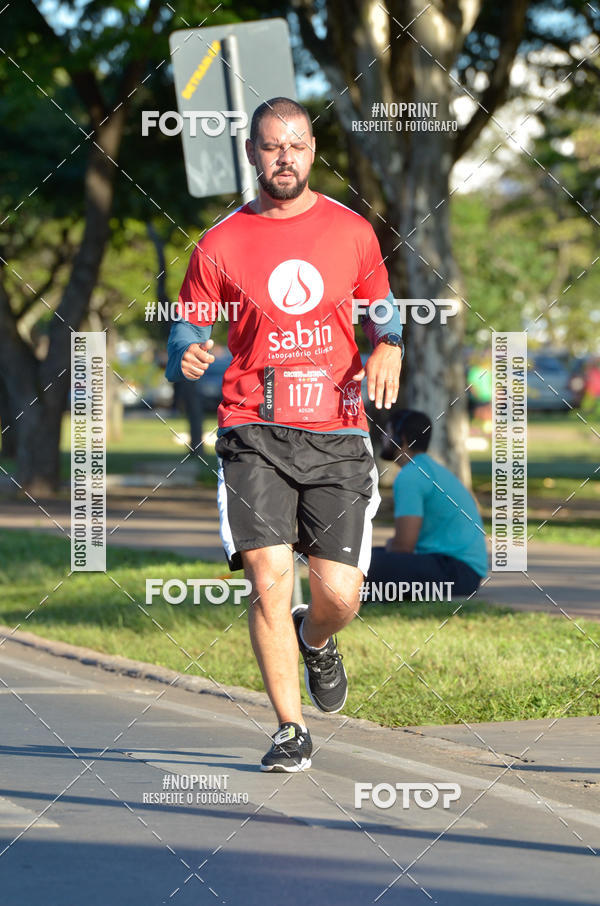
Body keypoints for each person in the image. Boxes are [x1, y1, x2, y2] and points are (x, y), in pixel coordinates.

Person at [165, 97, 404, 772]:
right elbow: (188, 325)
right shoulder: (220, 242)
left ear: (312, 151)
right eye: (272, 146)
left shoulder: (352, 231)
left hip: (337, 431)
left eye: (296, 145)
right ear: (252, 153)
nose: (284, 158)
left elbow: (382, 307)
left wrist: (389, 343)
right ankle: (289, 728)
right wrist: (184, 352)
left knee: (339, 596)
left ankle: (316, 638)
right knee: (269, 578)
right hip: (252, 430)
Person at [368, 410, 487, 599]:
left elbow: (403, 546)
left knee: (362, 565)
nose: (383, 437)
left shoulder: (411, 475)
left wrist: (391, 546)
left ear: (401, 438)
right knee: (365, 559)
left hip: (455, 572)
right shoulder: (428, 468)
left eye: (388, 432)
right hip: (465, 574)